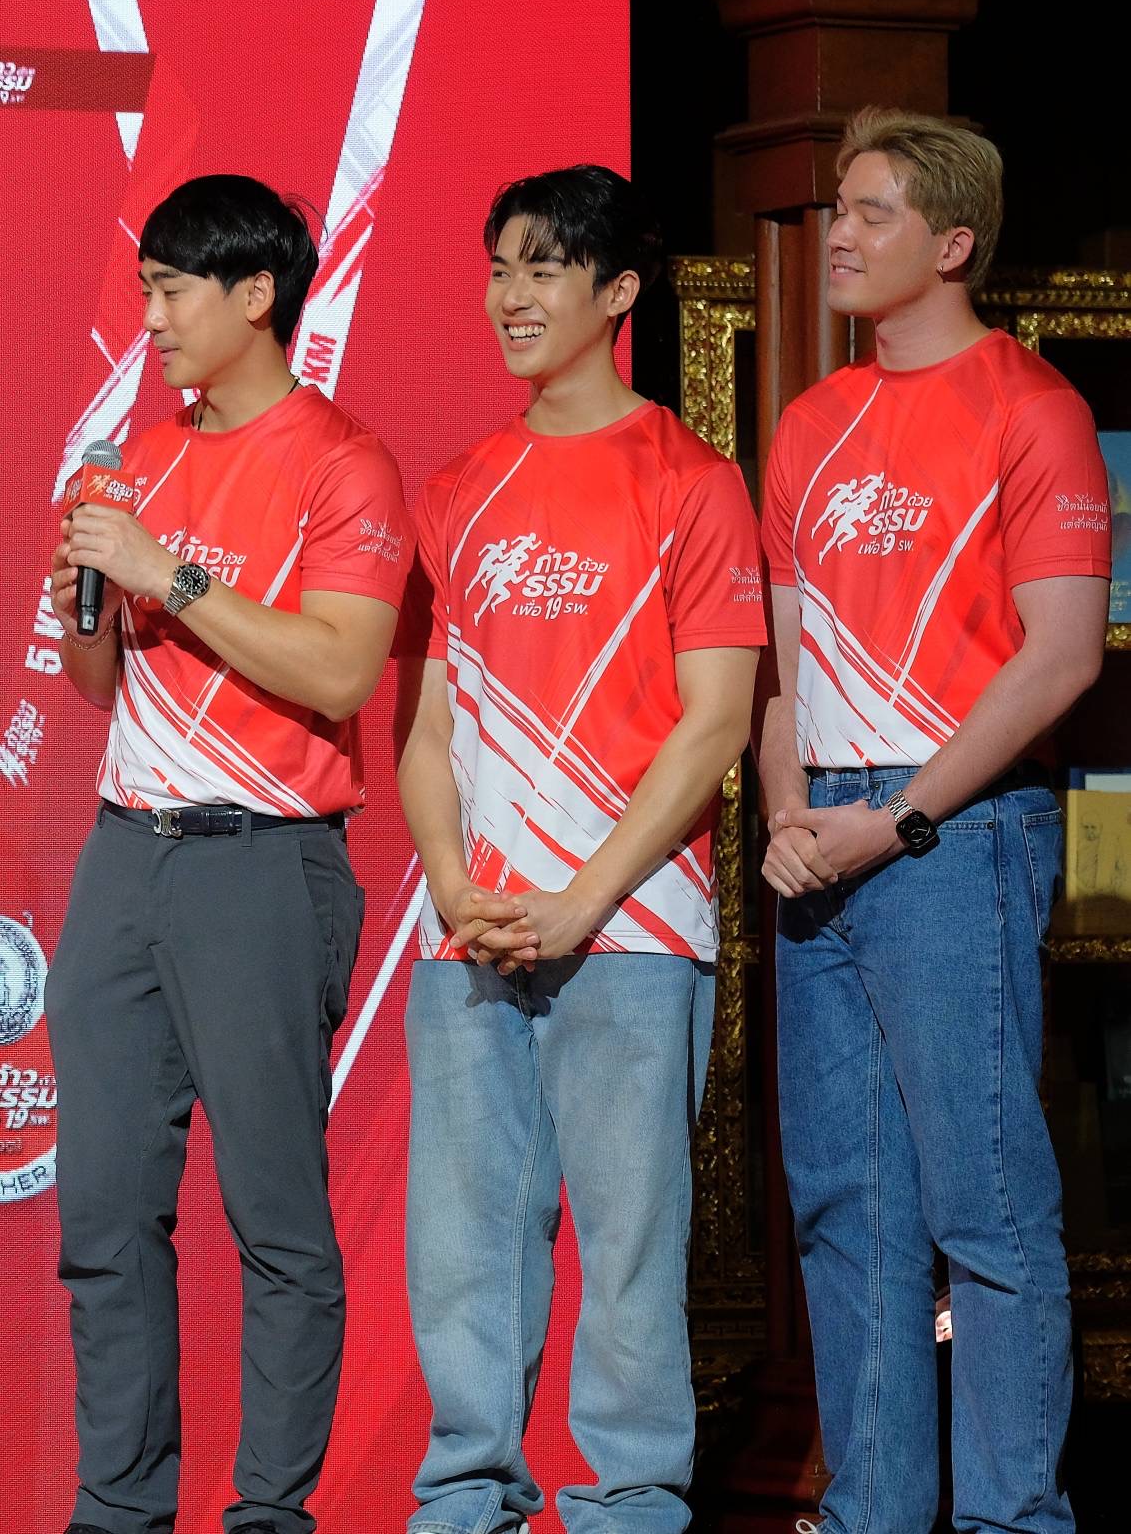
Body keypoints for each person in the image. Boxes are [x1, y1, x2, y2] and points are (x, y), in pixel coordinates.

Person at [393, 165, 763, 1534]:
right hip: (474, 930)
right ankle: (465, 1504)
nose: (511, 295)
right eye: (500, 266)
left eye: (543, 267)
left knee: (631, 1256)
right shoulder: (459, 488)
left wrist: (582, 900)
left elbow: (716, 721)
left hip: (635, 930)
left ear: (619, 292)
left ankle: (630, 1507)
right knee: (464, 1253)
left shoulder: (693, 483)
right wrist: (453, 884)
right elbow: (427, 723)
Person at [46, 173, 408, 1534]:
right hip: (124, 855)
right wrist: (87, 602)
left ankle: (268, 1512)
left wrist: (169, 575)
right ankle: (119, 1506)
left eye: (169, 289)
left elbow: (341, 667)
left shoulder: (342, 462)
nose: (149, 318)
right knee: (103, 1212)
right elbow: (99, 684)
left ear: (256, 294)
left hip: (263, 861)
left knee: (274, 1215)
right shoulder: (139, 458)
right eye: (143, 289)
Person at [760, 109, 1105, 1534]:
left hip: (953, 832)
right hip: (823, 830)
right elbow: (786, 663)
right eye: (837, 207)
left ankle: (1014, 1518)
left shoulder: (1033, 407)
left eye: (873, 212)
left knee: (987, 1206)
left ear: (953, 243)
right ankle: (874, 1514)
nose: (838, 234)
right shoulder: (809, 422)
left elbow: (1062, 656)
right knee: (849, 1207)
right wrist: (788, 807)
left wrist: (895, 818)